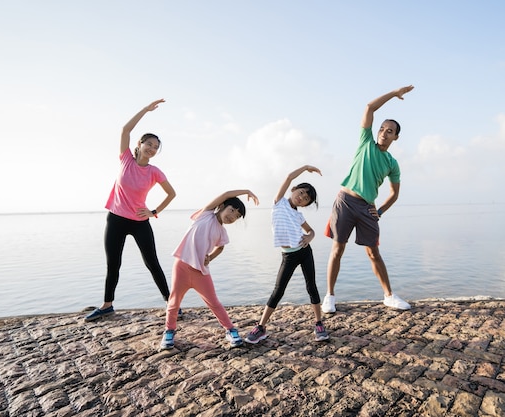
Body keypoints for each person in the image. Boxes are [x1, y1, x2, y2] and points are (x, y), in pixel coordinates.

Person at [322, 85, 415, 314]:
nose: (384, 132)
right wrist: (394, 94)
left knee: (373, 252)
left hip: (367, 208)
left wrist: (380, 211)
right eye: (382, 128)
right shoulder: (365, 142)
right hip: (345, 201)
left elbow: (394, 194)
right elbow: (369, 107)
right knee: (337, 249)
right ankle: (330, 297)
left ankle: (389, 296)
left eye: (390, 130)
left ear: (396, 137)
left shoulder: (392, 163)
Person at [85, 99, 176, 322]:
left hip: (139, 221)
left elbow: (171, 194)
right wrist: (146, 110)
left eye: (156, 147)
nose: (152, 149)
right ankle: (107, 305)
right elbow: (125, 129)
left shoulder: (154, 171)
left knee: (152, 262)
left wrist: (153, 212)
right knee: (113, 263)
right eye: (150, 144)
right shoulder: (126, 159)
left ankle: (171, 304)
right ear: (140, 144)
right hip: (116, 219)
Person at [160, 189, 260, 349]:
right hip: (182, 266)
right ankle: (169, 331)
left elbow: (220, 248)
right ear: (221, 206)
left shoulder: (222, 232)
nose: (232, 216)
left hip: (201, 272)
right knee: (174, 302)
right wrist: (246, 191)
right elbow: (226, 194)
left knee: (214, 303)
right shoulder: (205, 214)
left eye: (236, 216)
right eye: (231, 210)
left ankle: (230, 330)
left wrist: (210, 258)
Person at [245, 165, 329, 344]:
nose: (301, 198)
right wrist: (306, 167)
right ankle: (260, 327)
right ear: (293, 190)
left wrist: (309, 237)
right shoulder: (279, 202)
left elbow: (311, 231)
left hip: (304, 252)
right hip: (288, 256)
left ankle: (319, 323)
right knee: (278, 290)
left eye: (306, 199)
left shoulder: (299, 216)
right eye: (301, 193)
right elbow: (289, 176)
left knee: (311, 286)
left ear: (306, 204)